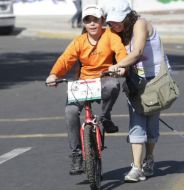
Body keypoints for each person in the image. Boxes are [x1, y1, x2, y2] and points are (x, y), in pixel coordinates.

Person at [46, 4, 127, 175]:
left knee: (114, 85)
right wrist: (53, 75)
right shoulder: (79, 41)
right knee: (70, 112)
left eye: (95, 20)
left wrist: (120, 66)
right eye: (87, 20)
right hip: (83, 83)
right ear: (83, 23)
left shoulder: (111, 36)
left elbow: (120, 52)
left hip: (104, 79)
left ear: (102, 21)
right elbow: (66, 59)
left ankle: (105, 117)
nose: (92, 24)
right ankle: (76, 154)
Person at [104, 0, 171, 182]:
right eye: (111, 22)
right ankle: (137, 167)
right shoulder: (115, 32)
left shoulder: (141, 23)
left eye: (118, 21)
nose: (114, 25)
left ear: (128, 17)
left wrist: (118, 65)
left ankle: (149, 159)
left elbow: (138, 51)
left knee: (151, 124)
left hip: (155, 80)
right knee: (136, 122)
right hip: (135, 81)